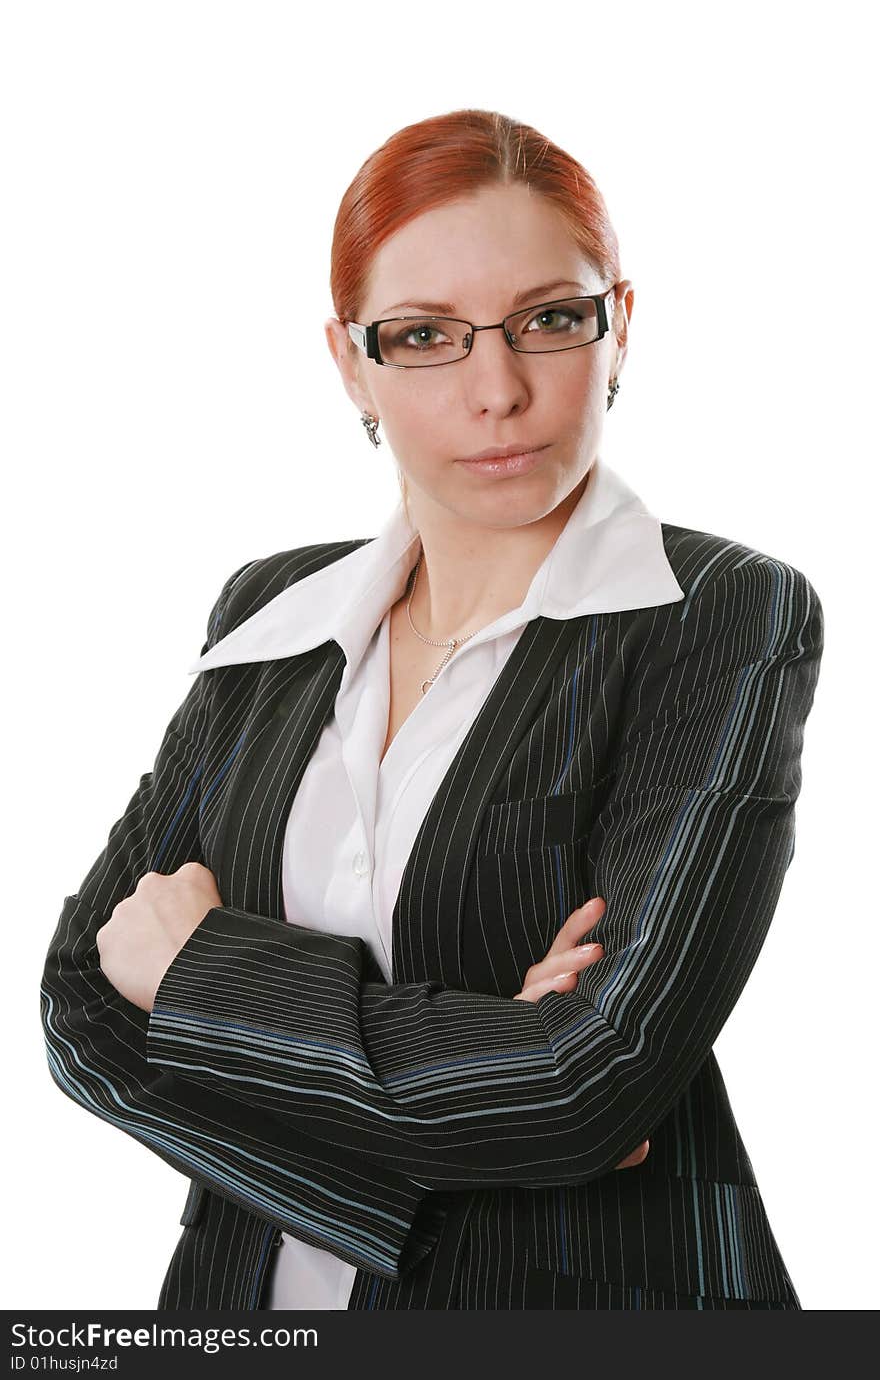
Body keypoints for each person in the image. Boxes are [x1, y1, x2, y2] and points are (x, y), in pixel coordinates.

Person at [41, 108, 822, 1310]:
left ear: (621, 327)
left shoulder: (721, 612)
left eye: (550, 320)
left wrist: (201, 974)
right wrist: (481, 1083)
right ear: (350, 361)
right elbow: (85, 1010)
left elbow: (584, 1085)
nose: (497, 391)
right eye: (423, 337)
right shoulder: (274, 607)